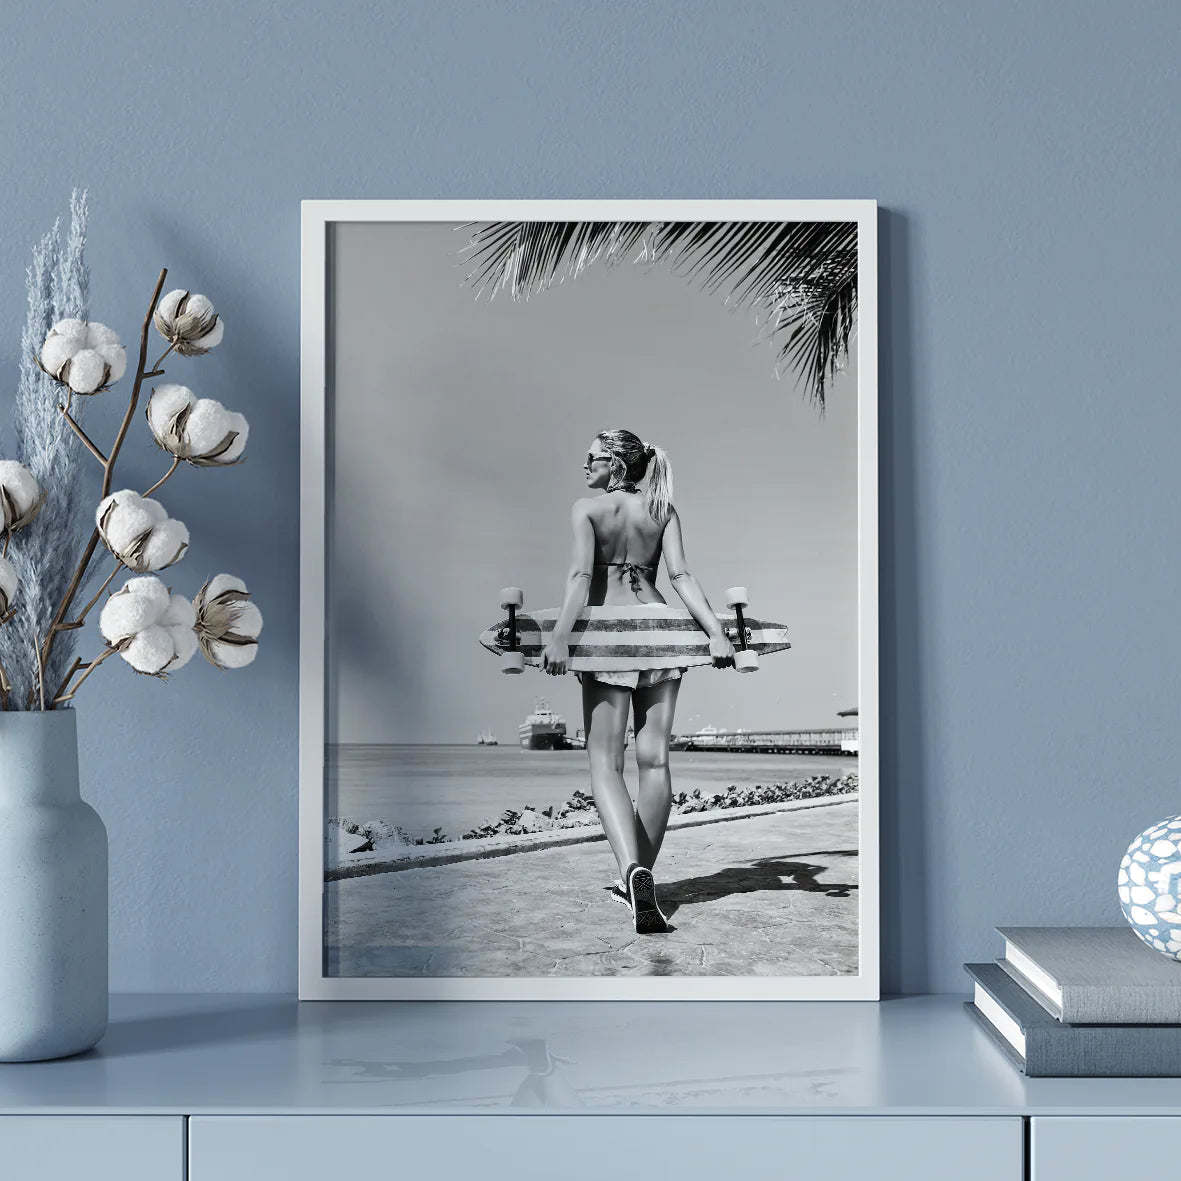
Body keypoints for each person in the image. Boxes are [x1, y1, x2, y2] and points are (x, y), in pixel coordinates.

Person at [541, 429, 735, 934]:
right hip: (662, 630)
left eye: (591, 459)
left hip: (609, 636)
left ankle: (631, 871)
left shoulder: (587, 509)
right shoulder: (663, 510)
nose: (584, 467)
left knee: (606, 762)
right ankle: (642, 876)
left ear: (614, 464)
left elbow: (581, 579)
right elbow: (683, 577)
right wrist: (716, 632)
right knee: (656, 760)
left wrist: (561, 636)